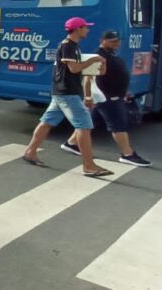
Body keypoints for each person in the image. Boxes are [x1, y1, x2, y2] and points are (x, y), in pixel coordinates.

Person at [23, 17, 112, 177]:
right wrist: (94, 59)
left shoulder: (73, 46)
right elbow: (74, 68)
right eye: (85, 27)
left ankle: (30, 151)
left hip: (62, 92)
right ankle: (89, 165)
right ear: (78, 29)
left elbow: (76, 69)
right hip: (67, 93)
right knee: (84, 126)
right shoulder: (68, 46)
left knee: (47, 122)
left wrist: (97, 65)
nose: (88, 30)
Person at [59, 30, 152, 166]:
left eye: (118, 41)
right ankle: (128, 154)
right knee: (118, 125)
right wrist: (89, 97)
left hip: (111, 95)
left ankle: (72, 143)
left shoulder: (111, 55)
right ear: (103, 41)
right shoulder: (98, 56)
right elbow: (88, 79)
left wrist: (123, 91)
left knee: (88, 121)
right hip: (107, 97)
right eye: (113, 41)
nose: (117, 44)